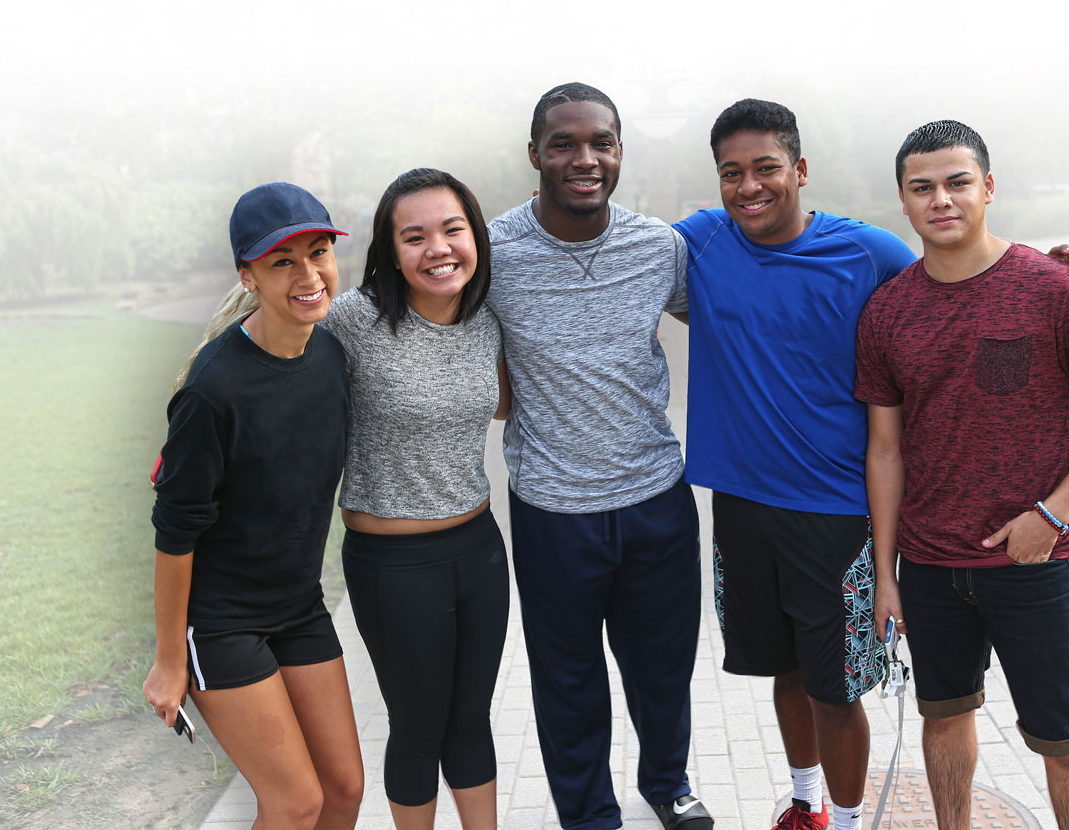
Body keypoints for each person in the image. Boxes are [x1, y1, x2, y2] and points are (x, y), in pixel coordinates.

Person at [674, 100, 1069, 830]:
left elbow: (963, 269)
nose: (750, 186)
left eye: (767, 168)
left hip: (839, 510)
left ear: (801, 171)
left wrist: (1060, 270)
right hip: (743, 506)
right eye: (732, 173)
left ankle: (845, 820)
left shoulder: (868, 252)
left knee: (839, 686)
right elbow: (609, 246)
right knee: (783, 670)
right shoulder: (702, 242)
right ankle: (805, 806)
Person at [857, 120, 1069, 830]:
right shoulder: (888, 311)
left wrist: (1050, 517)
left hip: (1037, 564)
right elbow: (885, 450)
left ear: (988, 187)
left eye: (958, 182)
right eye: (922, 187)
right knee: (943, 717)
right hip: (928, 564)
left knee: (1064, 740)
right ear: (903, 200)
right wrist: (888, 573)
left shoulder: (1057, 292)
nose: (941, 200)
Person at [486, 82, 710, 830]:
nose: (585, 159)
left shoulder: (659, 247)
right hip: (553, 509)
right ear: (535, 155)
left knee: (662, 668)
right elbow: (406, 306)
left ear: (619, 150)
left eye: (601, 143)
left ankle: (668, 784)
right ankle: (588, 815)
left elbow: (752, 299)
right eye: (565, 144)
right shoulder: (492, 252)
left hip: (657, 496)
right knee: (568, 679)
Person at [144, 182, 365, 830]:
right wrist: (167, 660)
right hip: (221, 621)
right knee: (295, 803)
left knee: (344, 789)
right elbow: (174, 532)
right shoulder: (212, 393)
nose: (308, 274)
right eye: (281, 262)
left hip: (296, 605)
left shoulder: (329, 355)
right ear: (249, 275)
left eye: (318, 251)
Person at [321, 168, 511, 830]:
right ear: (389, 249)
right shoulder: (353, 322)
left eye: (453, 229)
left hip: (480, 550)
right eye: (415, 236)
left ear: (475, 236)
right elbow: (279, 367)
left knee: (470, 722)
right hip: (392, 564)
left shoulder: (487, 317)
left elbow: (504, 401)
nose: (439, 248)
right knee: (418, 727)